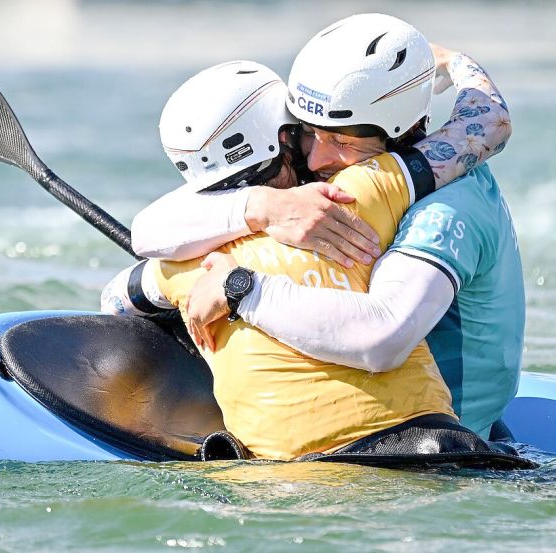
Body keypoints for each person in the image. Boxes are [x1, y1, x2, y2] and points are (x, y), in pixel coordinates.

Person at [133, 14, 523, 439]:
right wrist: (263, 205)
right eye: (309, 134)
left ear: (404, 129)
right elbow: (149, 231)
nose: (316, 162)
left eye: (342, 141)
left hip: (434, 443)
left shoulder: (449, 206)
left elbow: (383, 337)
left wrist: (240, 288)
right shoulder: (324, 182)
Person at [101, 59, 457, 461]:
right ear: (285, 136)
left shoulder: (182, 264)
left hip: (292, 480)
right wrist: (460, 66)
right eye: (305, 131)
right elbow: (476, 134)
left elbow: (116, 299)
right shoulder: (359, 193)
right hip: (433, 446)